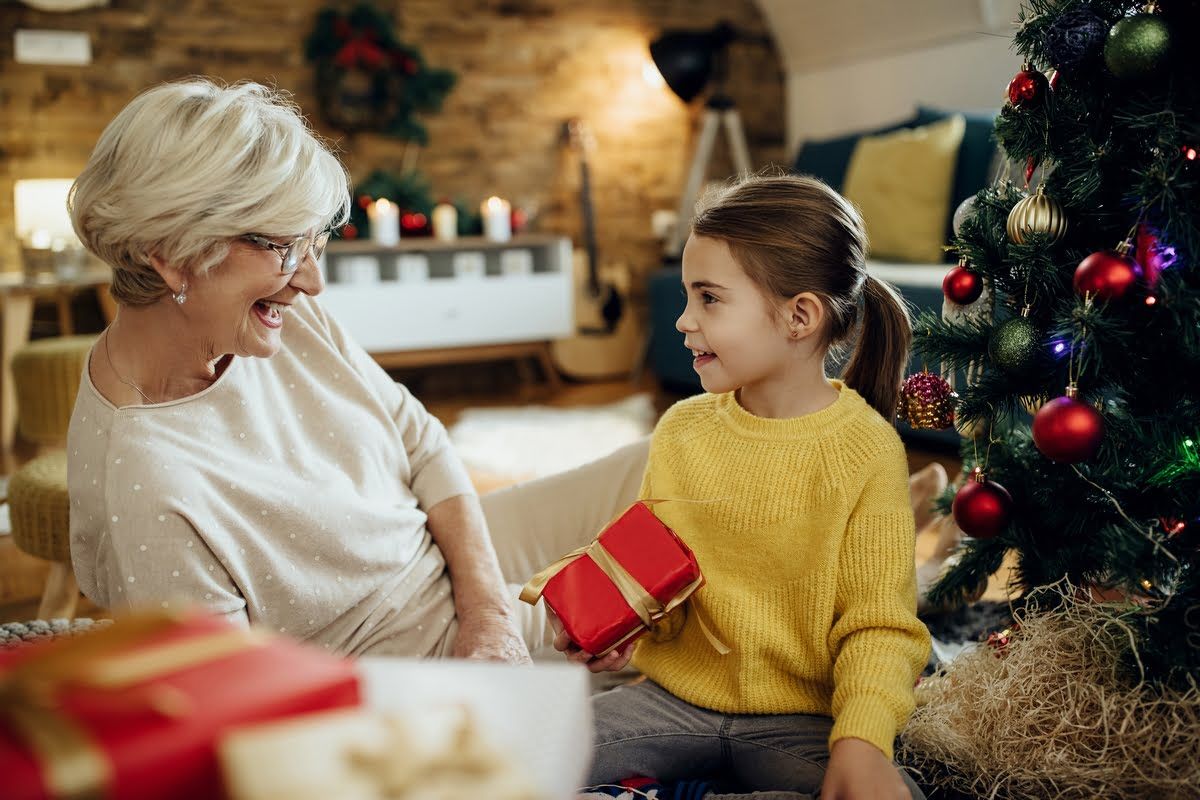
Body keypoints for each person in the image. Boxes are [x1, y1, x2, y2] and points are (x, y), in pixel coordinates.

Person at [64, 77, 652, 663]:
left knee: (676, 453)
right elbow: (243, 712)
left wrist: (488, 613)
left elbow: (422, 445)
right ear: (170, 254)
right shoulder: (147, 486)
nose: (313, 283)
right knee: (686, 625)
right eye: (282, 248)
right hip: (423, 664)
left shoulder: (275, 322)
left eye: (313, 244)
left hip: (462, 565)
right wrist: (488, 649)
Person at [562, 175, 932, 799]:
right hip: (672, 701)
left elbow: (880, 627)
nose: (682, 320)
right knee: (516, 754)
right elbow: (655, 574)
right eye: (687, 296)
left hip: (801, 721)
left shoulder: (866, 451)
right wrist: (622, 626)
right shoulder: (682, 430)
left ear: (800, 316)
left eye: (709, 298)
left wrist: (861, 742)